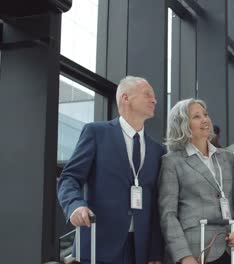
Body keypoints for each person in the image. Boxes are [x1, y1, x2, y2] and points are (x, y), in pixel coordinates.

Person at [57, 76, 165, 264]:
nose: (154, 100)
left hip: (140, 249)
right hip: (98, 242)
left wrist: (155, 251)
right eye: (148, 95)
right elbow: (69, 178)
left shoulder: (157, 150)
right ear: (125, 98)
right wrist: (74, 205)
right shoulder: (96, 133)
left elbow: (156, 204)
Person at [159, 98, 234, 264]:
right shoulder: (172, 161)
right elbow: (168, 215)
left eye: (206, 114)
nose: (205, 119)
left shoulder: (227, 157)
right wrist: (183, 256)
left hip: (229, 248)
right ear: (182, 124)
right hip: (195, 251)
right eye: (196, 116)